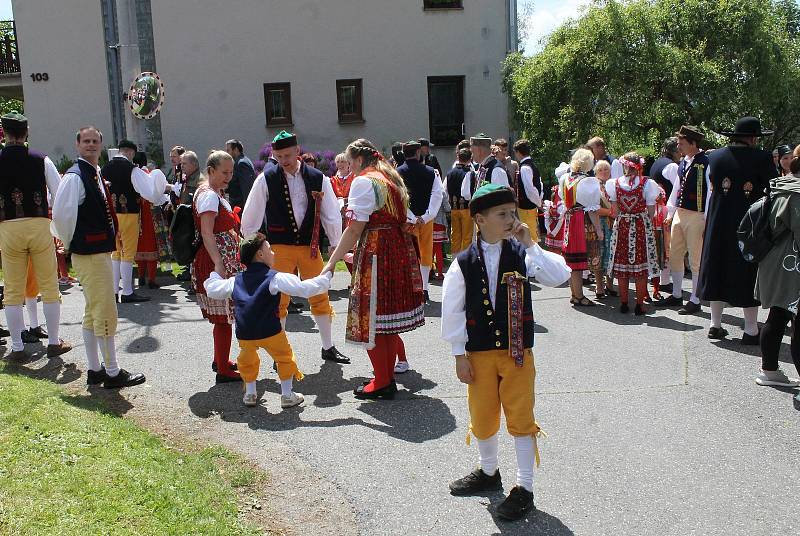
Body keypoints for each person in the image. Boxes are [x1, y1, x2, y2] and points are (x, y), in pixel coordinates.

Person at [442, 183, 570, 522]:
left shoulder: (523, 253)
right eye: (503, 215)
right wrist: (459, 354)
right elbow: (452, 310)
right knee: (482, 415)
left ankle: (524, 487)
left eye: (513, 213)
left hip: (517, 354)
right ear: (480, 219)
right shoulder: (463, 262)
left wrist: (531, 242)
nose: (511, 219)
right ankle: (488, 472)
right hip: (479, 353)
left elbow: (560, 275)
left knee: (521, 417)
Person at [322, 138, 426, 399]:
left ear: (357, 160)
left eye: (351, 163)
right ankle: (385, 377)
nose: (350, 169)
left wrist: (332, 260)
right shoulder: (389, 179)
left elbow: (355, 228)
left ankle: (382, 381)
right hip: (397, 249)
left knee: (373, 319)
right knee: (386, 322)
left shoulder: (363, 181)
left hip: (378, 251)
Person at [241, 131, 349, 364]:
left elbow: (331, 213)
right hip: (279, 248)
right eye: (278, 156)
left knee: (319, 295)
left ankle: (328, 347)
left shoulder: (318, 177)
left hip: (309, 247)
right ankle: (278, 352)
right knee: (278, 300)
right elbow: (251, 213)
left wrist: (335, 243)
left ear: (297, 151)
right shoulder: (265, 178)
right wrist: (252, 245)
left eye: (287, 155)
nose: (283, 160)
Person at [51, 126, 145, 388]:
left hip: (98, 251)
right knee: (105, 312)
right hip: (89, 252)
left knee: (93, 312)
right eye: (86, 141)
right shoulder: (75, 176)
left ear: (101, 145)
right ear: (77, 144)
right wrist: (71, 243)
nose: (91, 145)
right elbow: (62, 216)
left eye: (95, 141)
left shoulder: (93, 173)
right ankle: (112, 372)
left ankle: (95, 370)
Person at [204, 235, 333, 407]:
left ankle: (250, 394)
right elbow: (305, 289)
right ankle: (287, 395)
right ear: (260, 254)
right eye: (269, 249)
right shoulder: (275, 278)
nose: (273, 253)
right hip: (270, 331)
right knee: (285, 358)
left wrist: (214, 275)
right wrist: (326, 277)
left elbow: (212, 289)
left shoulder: (236, 280)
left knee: (247, 360)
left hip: (245, 334)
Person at [0, 111, 71, 360]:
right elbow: (60, 195)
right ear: (26, 132)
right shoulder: (42, 159)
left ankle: (18, 347)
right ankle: (53, 342)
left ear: (4, 133)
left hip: (8, 227)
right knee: (49, 285)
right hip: (40, 224)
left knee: (12, 290)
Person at [698, 117, 774, 342]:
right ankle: (751, 329)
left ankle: (715, 324)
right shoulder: (762, 157)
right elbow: (772, 186)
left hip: (718, 220)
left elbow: (712, 184)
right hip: (748, 223)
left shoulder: (715, 156)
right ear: (752, 138)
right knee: (747, 271)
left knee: (717, 267)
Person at [191, 151, 242, 383]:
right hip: (215, 261)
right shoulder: (208, 196)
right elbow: (206, 232)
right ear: (211, 171)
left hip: (221, 259)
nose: (228, 177)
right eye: (224, 172)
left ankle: (220, 359)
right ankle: (223, 368)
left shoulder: (213, 193)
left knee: (224, 316)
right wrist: (219, 263)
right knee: (222, 318)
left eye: (231, 172)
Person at [754, 146, 800, 387]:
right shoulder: (797, 191)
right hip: (791, 262)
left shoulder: (782, 184)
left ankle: (769, 370)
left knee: (778, 314)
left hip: (775, 257)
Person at [104, 139, 168, 303]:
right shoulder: (132, 170)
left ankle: (113, 291)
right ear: (131, 152)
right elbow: (148, 192)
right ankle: (127, 291)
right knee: (128, 252)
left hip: (111, 215)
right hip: (129, 214)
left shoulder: (105, 169)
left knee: (116, 252)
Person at [656, 126, 710, 315]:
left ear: (693, 143)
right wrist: (670, 213)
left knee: (695, 258)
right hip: (680, 212)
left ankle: (695, 299)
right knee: (675, 254)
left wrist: (707, 217)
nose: (679, 147)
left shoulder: (706, 162)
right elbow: (676, 189)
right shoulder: (683, 162)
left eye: (682, 143)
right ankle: (677, 294)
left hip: (697, 214)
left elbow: (710, 192)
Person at [605, 152, 660, 315]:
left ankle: (623, 303)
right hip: (640, 225)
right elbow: (651, 211)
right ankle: (639, 305)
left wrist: (624, 215)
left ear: (624, 166)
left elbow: (614, 211)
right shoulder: (647, 183)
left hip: (622, 225)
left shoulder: (614, 183)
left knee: (623, 266)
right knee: (640, 267)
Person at [397, 140, 445, 302]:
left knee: (408, 253)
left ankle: (411, 287)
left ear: (404, 153)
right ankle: (424, 288)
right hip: (425, 220)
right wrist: (425, 216)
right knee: (425, 252)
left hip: (406, 220)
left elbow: (398, 198)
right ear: (418, 153)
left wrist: (411, 216)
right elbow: (437, 195)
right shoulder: (432, 172)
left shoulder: (396, 173)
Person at [559, 148, 603, 306]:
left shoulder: (565, 178)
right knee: (577, 261)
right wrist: (598, 229)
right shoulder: (588, 181)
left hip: (570, 219)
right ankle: (578, 295)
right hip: (580, 221)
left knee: (571, 260)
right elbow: (592, 210)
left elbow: (562, 200)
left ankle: (574, 293)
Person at [132, 152, 171, 289]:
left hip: (136, 213)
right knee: (152, 243)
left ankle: (141, 276)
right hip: (151, 212)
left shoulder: (132, 174)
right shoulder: (148, 174)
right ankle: (152, 279)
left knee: (140, 243)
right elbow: (158, 192)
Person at [648, 137, 681, 291]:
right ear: (675, 150)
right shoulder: (672, 166)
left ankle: (655, 277)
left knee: (658, 244)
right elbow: (678, 189)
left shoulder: (657, 162)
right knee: (667, 245)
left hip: (655, 209)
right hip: (666, 210)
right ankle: (665, 281)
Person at [176, 150, 203, 282]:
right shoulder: (189, 178)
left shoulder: (200, 180)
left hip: (194, 223)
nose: (182, 167)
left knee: (195, 252)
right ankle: (191, 277)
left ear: (194, 164)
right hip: (187, 222)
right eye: (181, 164)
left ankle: (195, 280)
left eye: (185, 164)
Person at [461, 133, 510, 202]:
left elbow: (503, 198)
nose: (471, 155)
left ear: (479, 151)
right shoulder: (483, 167)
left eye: (472, 152)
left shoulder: (496, 170)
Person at [512, 139, 543, 243]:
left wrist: (538, 203)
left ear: (518, 152)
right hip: (530, 206)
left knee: (529, 235)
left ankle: (533, 257)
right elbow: (539, 184)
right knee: (530, 232)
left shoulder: (525, 167)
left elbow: (530, 189)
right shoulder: (531, 165)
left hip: (527, 207)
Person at [593, 160, 616, 298]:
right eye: (600, 170)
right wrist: (609, 212)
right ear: (596, 172)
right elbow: (593, 207)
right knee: (599, 252)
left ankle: (610, 284)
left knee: (611, 253)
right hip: (599, 223)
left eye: (606, 169)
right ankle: (599, 286)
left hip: (612, 224)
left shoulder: (613, 185)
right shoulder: (593, 186)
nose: (603, 172)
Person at [445, 147, 474, 254]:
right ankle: (465, 258)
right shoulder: (469, 173)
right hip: (466, 208)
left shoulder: (450, 173)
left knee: (455, 235)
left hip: (453, 208)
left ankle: (455, 259)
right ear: (470, 159)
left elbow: (445, 190)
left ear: (458, 157)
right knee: (467, 236)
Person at [225, 139, 256, 210]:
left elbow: (247, 189)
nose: (226, 153)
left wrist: (248, 209)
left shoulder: (242, 163)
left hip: (241, 209)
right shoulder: (239, 162)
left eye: (228, 150)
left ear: (235, 149)